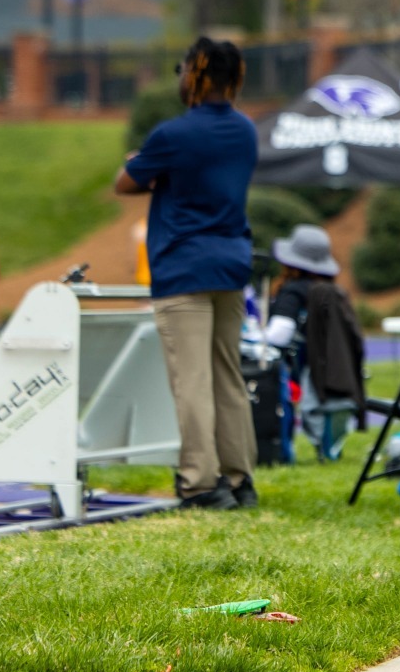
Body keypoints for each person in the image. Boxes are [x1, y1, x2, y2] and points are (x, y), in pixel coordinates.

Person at [116, 36, 261, 511]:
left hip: (183, 268)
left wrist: (152, 172)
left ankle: (201, 482)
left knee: (193, 381)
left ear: (196, 76)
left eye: (183, 69)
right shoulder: (245, 131)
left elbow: (125, 181)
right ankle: (240, 480)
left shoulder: (172, 136)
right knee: (229, 378)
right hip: (231, 264)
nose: (179, 77)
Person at [264, 224, 365, 462]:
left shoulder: (292, 291)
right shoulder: (335, 291)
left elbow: (279, 334)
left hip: (305, 367)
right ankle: (330, 450)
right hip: (337, 371)